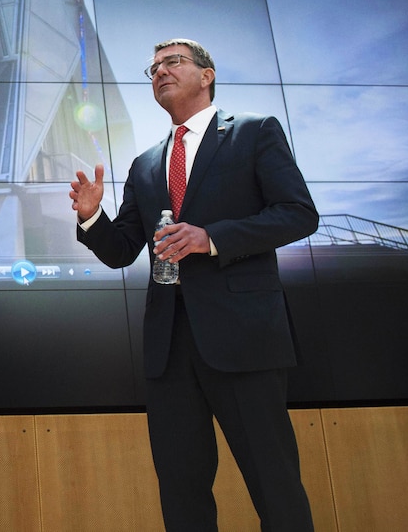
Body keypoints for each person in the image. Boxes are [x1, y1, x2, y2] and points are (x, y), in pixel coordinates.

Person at [69, 38, 317, 531]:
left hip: (244, 338)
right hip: (170, 346)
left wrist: (213, 238)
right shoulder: (145, 164)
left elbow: (298, 214)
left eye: (173, 62)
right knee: (181, 490)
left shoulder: (253, 132)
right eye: (153, 67)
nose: (160, 71)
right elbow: (122, 251)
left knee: (274, 481)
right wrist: (92, 216)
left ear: (207, 75)